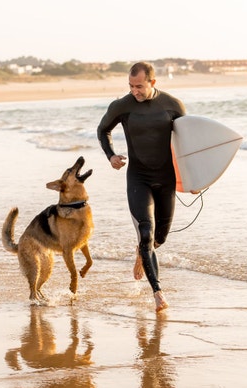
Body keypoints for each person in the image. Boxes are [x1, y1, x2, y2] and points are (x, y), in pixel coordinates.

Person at [97, 61, 186, 312]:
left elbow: (188, 145)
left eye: (139, 86)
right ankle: (157, 292)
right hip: (138, 178)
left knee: (160, 237)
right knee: (146, 231)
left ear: (152, 82)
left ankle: (142, 252)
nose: (134, 91)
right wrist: (111, 156)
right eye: (130, 86)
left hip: (166, 179)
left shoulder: (173, 105)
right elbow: (103, 130)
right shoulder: (121, 106)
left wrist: (192, 180)